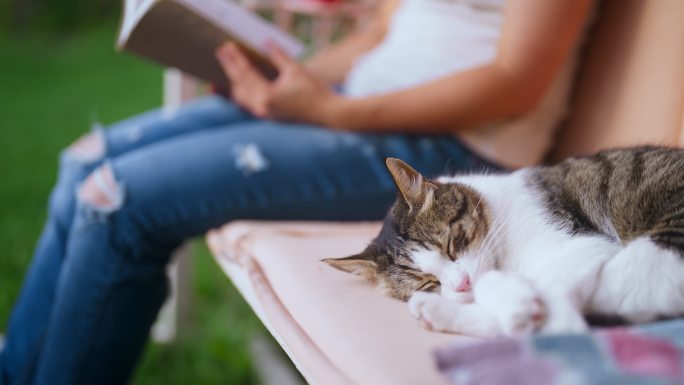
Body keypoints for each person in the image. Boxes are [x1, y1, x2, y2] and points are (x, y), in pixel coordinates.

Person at [0, 0, 593, 384]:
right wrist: (283, 89)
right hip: (349, 103)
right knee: (85, 163)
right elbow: (390, 26)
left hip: (438, 155)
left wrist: (331, 110)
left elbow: (516, 82)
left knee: (116, 200)